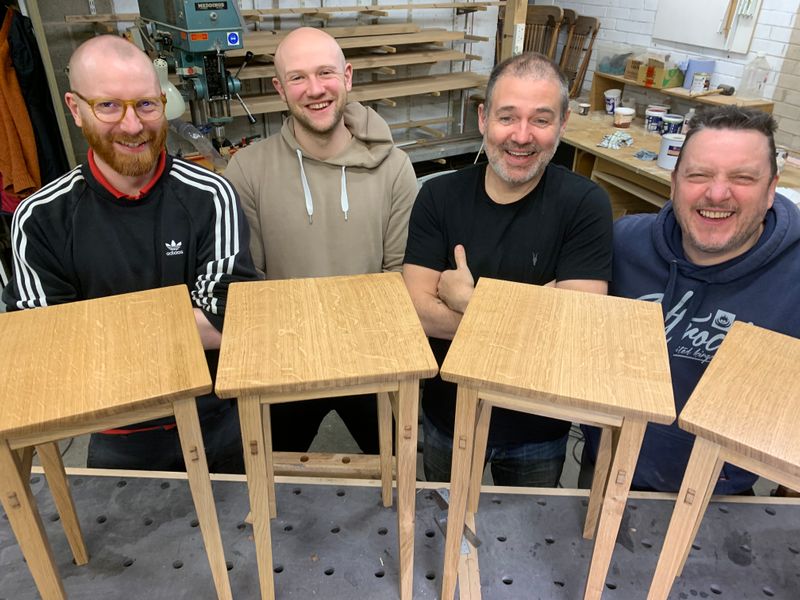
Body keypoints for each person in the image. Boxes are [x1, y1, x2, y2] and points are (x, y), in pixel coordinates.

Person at [2, 35, 260, 472]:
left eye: (145, 104)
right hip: (114, 429)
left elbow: (232, 321)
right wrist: (182, 322)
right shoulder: (39, 218)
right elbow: (41, 350)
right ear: (74, 107)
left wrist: (94, 331)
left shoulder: (210, 195)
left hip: (216, 419)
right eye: (108, 106)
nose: (132, 125)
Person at [402, 52, 613, 486]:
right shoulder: (438, 197)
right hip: (449, 414)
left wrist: (467, 302)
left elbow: (577, 321)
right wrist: (536, 310)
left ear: (563, 124)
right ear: (483, 119)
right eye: (507, 117)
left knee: (530, 540)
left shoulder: (585, 205)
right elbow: (416, 311)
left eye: (540, 119)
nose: (521, 136)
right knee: (442, 524)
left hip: (539, 423)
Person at [582, 105, 800, 494]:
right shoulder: (624, 242)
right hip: (602, 470)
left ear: (771, 190)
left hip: (718, 498)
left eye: (743, 178)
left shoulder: (794, 278)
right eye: (698, 175)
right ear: (674, 183)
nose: (717, 193)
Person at [224, 27, 418, 454]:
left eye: (325, 73)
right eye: (297, 78)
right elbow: (247, 286)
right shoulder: (247, 172)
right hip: (287, 362)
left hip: (373, 360)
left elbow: (398, 276)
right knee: (268, 477)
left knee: (397, 469)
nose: (315, 90)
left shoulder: (396, 169)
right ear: (279, 88)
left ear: (347, 77)